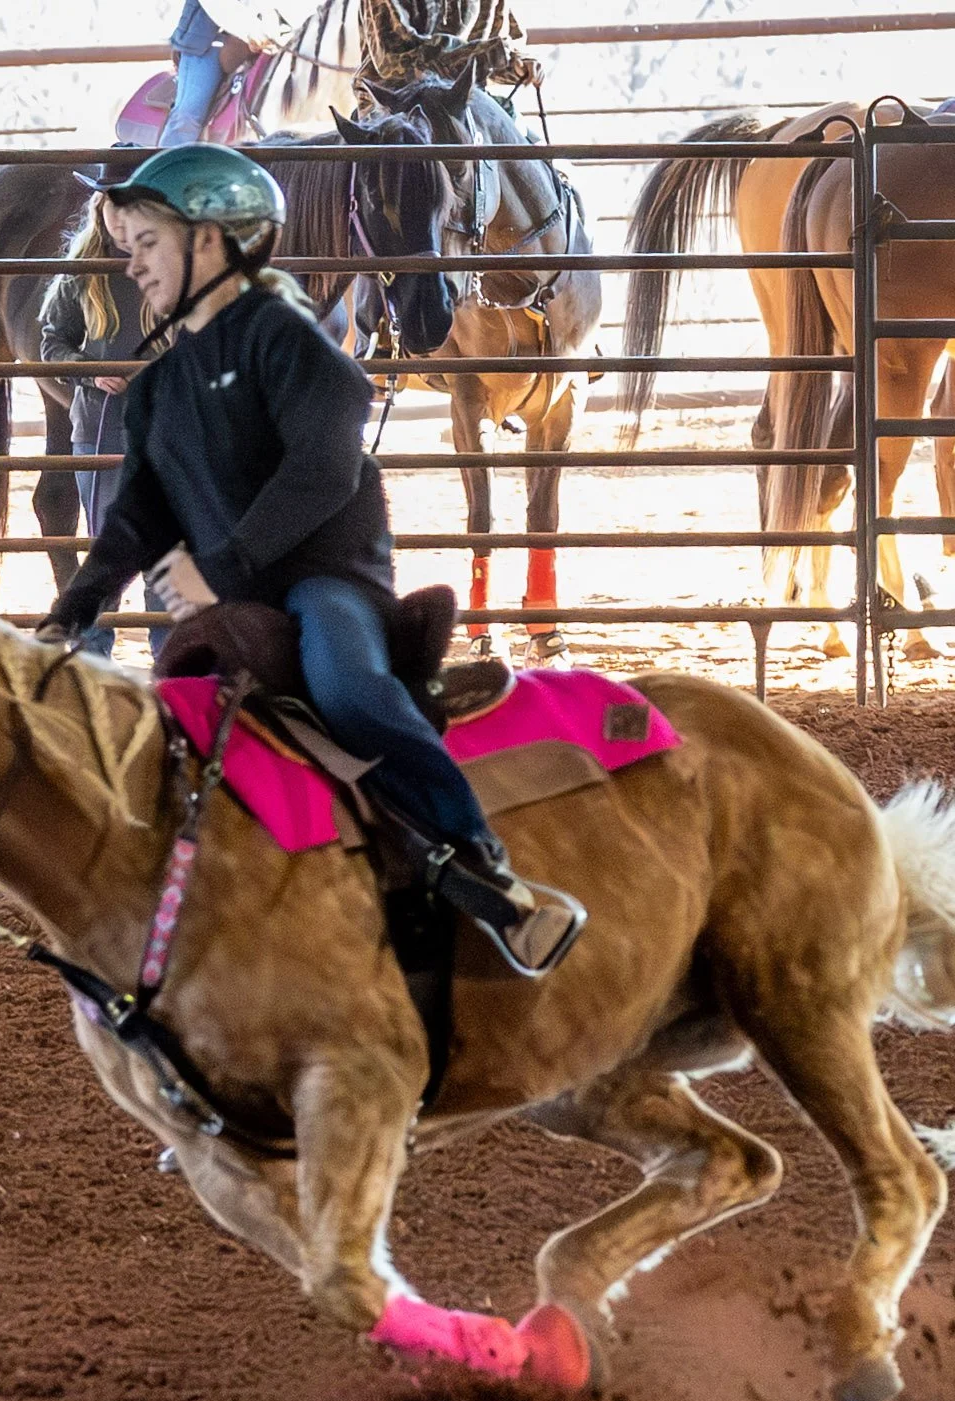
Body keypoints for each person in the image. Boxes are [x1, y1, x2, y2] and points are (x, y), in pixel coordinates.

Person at [35, 144, 581, 974]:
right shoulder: (158, 386)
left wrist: (217, 567)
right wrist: (73, 608)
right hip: (236, 591)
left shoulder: (294, 343)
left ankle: (488, 870)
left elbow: (321, 472)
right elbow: (136, 515)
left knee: (349, 692)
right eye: (132, 243)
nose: (132, 261)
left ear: (213, 244)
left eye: (149, 242)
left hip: (324, 579)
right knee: (170, 731)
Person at [40, 181, 160, 654]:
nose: (124, 216)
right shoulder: (81, 273)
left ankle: (169, 650)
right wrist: (91, 373)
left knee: (167, 550)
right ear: (101, 206)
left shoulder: (170, 263)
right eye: (116, 204)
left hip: (159, 426)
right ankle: (94, 653)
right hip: (101, 426)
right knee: (106, 546)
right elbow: (53, 341)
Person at [162, 2, 285, 145]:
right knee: (188, 114)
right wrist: (251, 30)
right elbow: (218, 6)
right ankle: (168, 162)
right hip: (206, 44)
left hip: (264, 42)